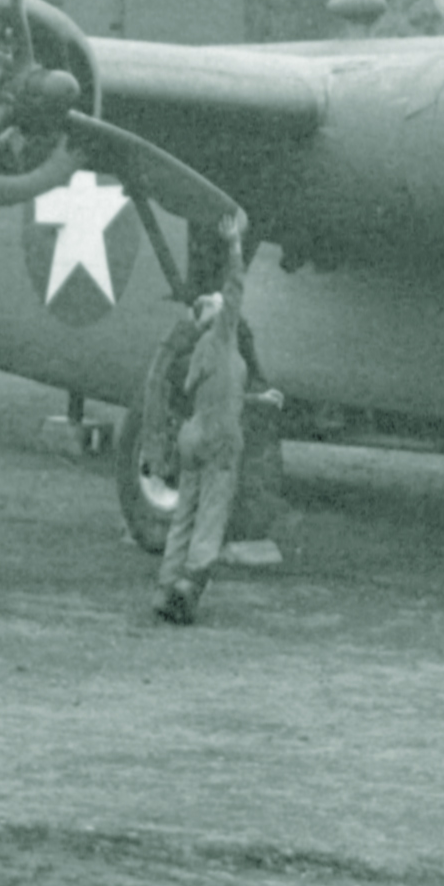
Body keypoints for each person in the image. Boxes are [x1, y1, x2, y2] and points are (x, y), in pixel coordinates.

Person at [152, 212, 260, 623]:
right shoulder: (222, 335)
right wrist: (234, 243)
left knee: (184, 514)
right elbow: (235, 287)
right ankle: (188, 587)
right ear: (216, 318)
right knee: (212, 516)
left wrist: (262, 397)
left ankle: (165, 584)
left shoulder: (198, 350)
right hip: (220, 439)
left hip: (193, 435)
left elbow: (210, 392)